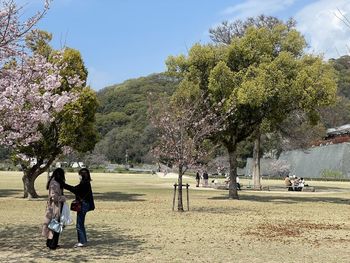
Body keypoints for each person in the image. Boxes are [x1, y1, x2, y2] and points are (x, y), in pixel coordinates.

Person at [64, 168, 95, 248]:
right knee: (81, 224)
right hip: (85, 205)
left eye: (80, 175)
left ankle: (82, 241)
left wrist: (63, 185)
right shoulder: (86, 183)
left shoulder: (84, 183)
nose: (79, 176)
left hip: (83, 205)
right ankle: (83, 240)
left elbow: (74, 189)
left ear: (82, 175)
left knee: (79, 224)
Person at [42, 168, 67, 250]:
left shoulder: (54, 182)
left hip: (55, 206)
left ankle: (50, 243)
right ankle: (52, 244)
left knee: (52, 224)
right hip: (55, 207)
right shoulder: (55, 183)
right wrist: (62, 198)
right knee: (55, 225)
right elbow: (54, 197)